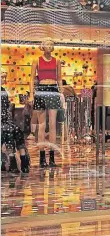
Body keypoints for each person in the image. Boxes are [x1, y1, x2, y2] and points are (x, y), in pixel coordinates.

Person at [30, 38, 63, 168]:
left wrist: (61, 93)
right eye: (47, 44)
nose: (49, 46)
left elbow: (60, 78)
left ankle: (52, 158)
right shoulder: (36, 60)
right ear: (42, 46)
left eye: (52, 44)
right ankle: (42, 157)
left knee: (53, 124)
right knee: (42, 125)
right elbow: (32, 78)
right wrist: (31, 94)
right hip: (41, 90)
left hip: (53, 89)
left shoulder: (57, 61)